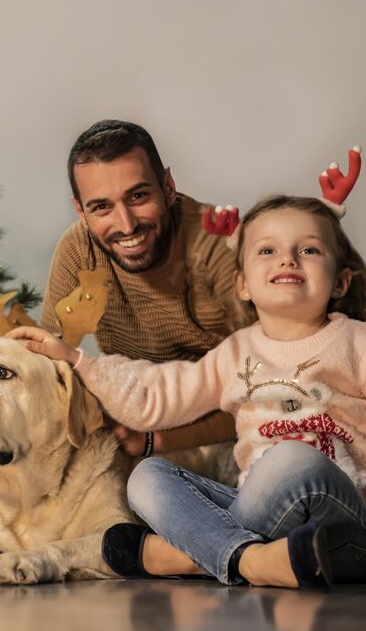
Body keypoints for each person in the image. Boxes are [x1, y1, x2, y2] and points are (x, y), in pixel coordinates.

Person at [11, 177, 366, 588]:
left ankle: (192, 553)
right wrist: (75, 358)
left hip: (358, 528)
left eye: (309, 249)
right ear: (242, 283)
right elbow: (153, 399)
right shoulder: (236, 352)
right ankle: (249, 560)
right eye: (267, 250)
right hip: (274, 530)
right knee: (147, 478)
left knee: (292, 459)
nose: (287, 260)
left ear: (340, 281)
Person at [41, 119, 252, 461]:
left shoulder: (220, 245)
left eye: (138, 196)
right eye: (101, 207)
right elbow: (50, 367)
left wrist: (155, 442)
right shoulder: (78, 251)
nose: (126, 225)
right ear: (81, 211)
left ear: (168, 186)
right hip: (138, 428)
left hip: (234, 431)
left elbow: (274, 380)